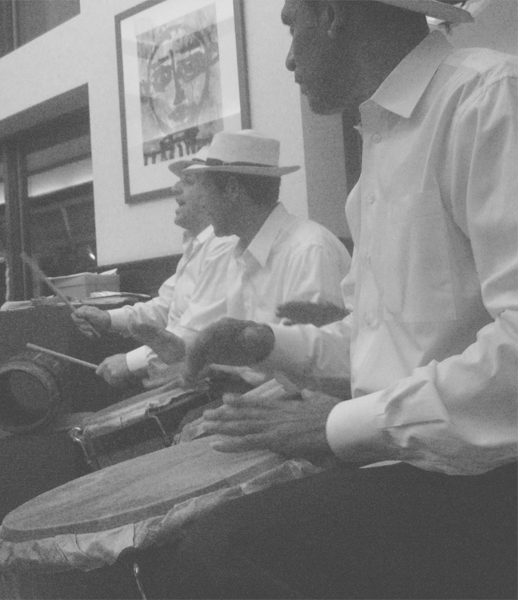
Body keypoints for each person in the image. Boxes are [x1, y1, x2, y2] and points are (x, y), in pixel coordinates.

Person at [139, 1, 517, 598]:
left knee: (197, 556)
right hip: (414, 459)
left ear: (335, 15)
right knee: (179, 545)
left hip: (485, 476)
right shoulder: (381, 152)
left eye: (293, 23)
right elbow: (381, 347)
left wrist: (340, 425)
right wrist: (268, 343)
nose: (289, 55)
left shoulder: (486, 98)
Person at [131, 129, 351, 375]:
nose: (202, 202)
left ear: (232, 189)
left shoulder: (308, 250)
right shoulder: (239, 253)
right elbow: (252, 368)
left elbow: (322, 370)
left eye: (205, 189)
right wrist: (187, 356)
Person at [71, 149, 236, 388]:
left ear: (214, 193)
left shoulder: (223, 245)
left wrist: (130, 362)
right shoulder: (197, 245)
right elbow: (162, 307)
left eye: (188, 181)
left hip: (212, 384)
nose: (174, 188)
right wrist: (107, 318)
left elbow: (196, 332)